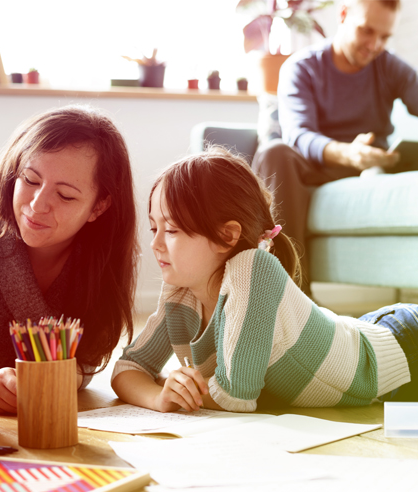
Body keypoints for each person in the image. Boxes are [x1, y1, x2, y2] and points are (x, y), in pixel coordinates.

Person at [112, 148, 416, 414]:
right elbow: (128, 368)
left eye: (173, 230)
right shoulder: (180, 290)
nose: (155, 244)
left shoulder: (252, 268)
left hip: (404, 345)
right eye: (154, 229)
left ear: (226, 235)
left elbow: (233, 396)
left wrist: (176, 389)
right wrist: (160, 397)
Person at [0, 104, 140, 414]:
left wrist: (47, 380)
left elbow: (86, 361)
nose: (38, 204)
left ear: (99, 207)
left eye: (65, 196)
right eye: (31, 180)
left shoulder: (103, 255)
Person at [251, 0, 418, 292]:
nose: (374, 44)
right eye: (367, 31)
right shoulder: (302, 67)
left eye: (384, 36)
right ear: (343, 15)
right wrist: (348, 153)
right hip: (313, 168)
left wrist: (370, 158)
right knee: (274, 153)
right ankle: (290, 293)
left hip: (368, 169)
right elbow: (299, 135)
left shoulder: (389, 66)